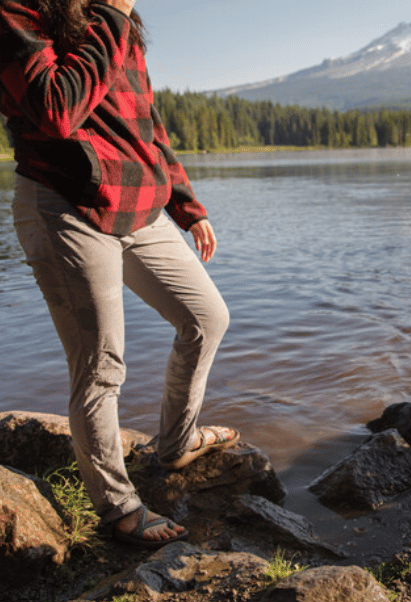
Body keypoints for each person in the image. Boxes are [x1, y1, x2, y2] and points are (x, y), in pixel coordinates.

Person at [0, 0, 239, 547]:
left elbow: (146, 125)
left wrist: (187, 206)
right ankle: (120, 510)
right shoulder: (19, 11)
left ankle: (176, 443)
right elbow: (56, 107)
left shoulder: (120, 25)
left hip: (139, 208)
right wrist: (110, 15)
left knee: (206, 317)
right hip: (66, 205)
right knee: (101, 364)